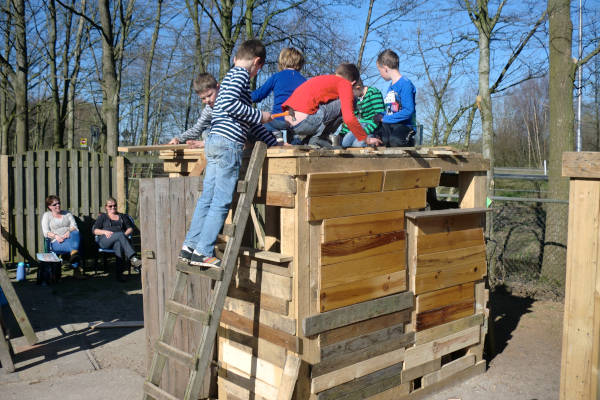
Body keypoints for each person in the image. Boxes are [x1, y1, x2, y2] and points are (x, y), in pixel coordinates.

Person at [178, 39, 279, 268]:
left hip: (214, 141)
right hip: (227, 144)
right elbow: (232, 106)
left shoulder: (229, 77)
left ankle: (190, 246)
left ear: (235, 58)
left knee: (208, 199)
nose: (255, 73)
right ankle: (204, 251)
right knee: (222, 201)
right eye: (257, 69)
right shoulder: (242, 76)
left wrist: (272, 141)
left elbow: (244, 120)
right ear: (257, 63)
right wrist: (259, 115)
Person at [281, 63, 382, 148]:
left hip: (289, 124)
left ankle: (307, 140)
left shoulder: (325, 80)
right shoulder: (345, 84)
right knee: (349, 101)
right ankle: (319, 138)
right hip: (305, 122)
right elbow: (349, 118)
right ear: (353, 82)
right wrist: (366, 139)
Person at [251, 47, 306, 135]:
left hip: (278, 119)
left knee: (261, 125)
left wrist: (243, 95)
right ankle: (293, 138)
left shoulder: (277, 77)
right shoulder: (304, 81)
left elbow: (259, 95)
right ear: (300, 63)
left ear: (282, 61)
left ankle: (275, 133)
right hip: (296, 122)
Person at [92, 197, 142, 281]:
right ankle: (133, 258)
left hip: (119, 239)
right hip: (105, 240)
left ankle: (119, 275)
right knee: (119, 235)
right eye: (110, 206)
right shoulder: (103, 217)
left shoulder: (122, 216)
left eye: (114, 205)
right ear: (106, 207)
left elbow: (130, 228)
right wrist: (104, 232)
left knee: (119, 244)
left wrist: (124, 236)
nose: (113, 208)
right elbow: (95, 230)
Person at [375, 49, 417, 147]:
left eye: (379, 71)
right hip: (390, 125)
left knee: (395, 141)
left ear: (385, 68)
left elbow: (408, 111)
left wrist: (384, 118)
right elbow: (390, 111)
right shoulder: (391, 87)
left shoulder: (406, 84)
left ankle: (411, 141)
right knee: (380, 139)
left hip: (404, 126)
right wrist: (380, 115)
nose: (380, 74)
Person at [167, 73, 220, 148]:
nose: (207, 100)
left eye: (209, 95)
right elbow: (197, 128)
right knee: (205, 133)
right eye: (203, 98)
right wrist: (179, 139)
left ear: (218, 87)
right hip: (216, 140)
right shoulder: (208, 109)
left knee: (207, 134)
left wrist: (206, 143)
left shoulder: (230, 102)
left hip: (233, 138)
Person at [41, 195, 85, 278]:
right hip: (57, 241)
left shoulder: (67, 213)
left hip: (70, 238)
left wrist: (69, 231)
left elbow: (74, 226)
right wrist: (56, 236)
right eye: (55, 204)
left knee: (75, 233)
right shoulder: (47, 216)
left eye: (59, 203)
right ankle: (76, 269)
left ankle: (73, 255)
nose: (58, 205)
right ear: (49, 207)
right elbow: (45, 232)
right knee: (76, 248)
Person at [339, 79, 385, 148]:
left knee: (358, 145)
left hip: (371, 127)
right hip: (359, 127)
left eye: (351, 92)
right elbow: (351, 118)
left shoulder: (373, 93)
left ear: (358, 88)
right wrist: (342, 133)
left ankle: (375, 141)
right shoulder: (355, 99)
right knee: (345, 143)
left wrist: (363, 133)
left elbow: (379, 118)